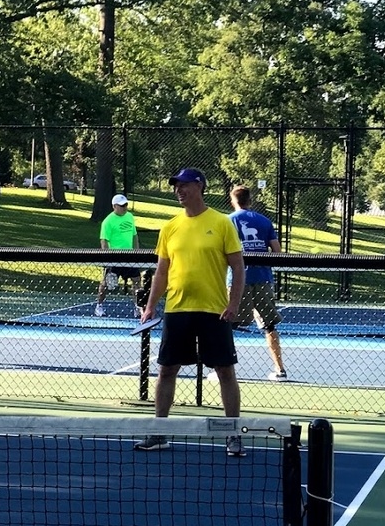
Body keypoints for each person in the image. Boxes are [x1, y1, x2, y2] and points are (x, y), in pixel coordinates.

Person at [135, 168, 247, 457]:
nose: (178, 191)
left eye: (184, 185)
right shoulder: (170, 227)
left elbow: (237, 266)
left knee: (224, 370)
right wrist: (150, 306)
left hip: (214, 311)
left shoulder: (222, 223)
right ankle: (159, 432)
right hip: (178, 309)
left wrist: (233, 303)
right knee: (167, 369)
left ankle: (232, 433)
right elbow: (162, 271)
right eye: (176, 187)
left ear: (199, 186)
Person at [228, 186, 288, 381]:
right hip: (263, 280)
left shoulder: (227, 222)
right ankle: (280, 370)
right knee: (270, 325)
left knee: (228, 324)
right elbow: (277, 252)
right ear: (250, 200)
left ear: (233, 200)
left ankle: (224, 370)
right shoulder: (264, 221)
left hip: (238, 281)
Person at [95, 193, 141, 317]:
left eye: (126, 205)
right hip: (115, 258)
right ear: (114, 206)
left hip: (130, 257)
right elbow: (104, 241)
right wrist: (107, 259)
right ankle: (99, 305)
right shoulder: (108, 221)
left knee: (137, 281)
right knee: (106, 284)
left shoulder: (130, 217)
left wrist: (136, 252)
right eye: (122, 206)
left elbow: (134, 235)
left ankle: (138, 307)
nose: (125, 207)